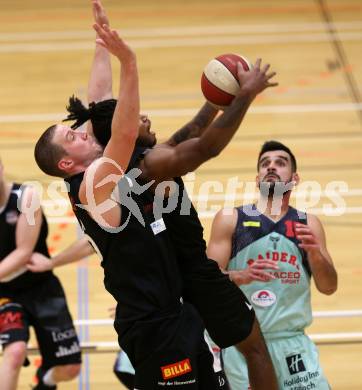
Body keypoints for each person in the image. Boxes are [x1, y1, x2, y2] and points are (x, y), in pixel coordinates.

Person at [33, 2, 279, 388]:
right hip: (151, 321)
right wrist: (129, 61)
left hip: (173, 305)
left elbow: (102, 101)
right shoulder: (95, 181)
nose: (80, 130)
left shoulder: (113, 161)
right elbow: (130, 132)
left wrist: (103, 44)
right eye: (72, 136)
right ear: (66, 163)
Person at [207, 140, 338, 389]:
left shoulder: (308, 224)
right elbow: (204, 284)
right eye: (265, 164)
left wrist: (315, 255)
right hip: (245, 346)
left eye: (280, 163)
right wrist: (236, 275)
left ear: (295, 178)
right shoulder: (231, 219)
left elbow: (329, 286)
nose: (271, 167)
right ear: (257, 179)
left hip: (293, 343)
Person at [0, 157, 81, 390]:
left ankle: (45, 382)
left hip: (42, 288)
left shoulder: (25, 197)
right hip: (6, 293)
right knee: (14, 352)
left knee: (70, 368)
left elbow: (23, 252)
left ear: (2, 168)